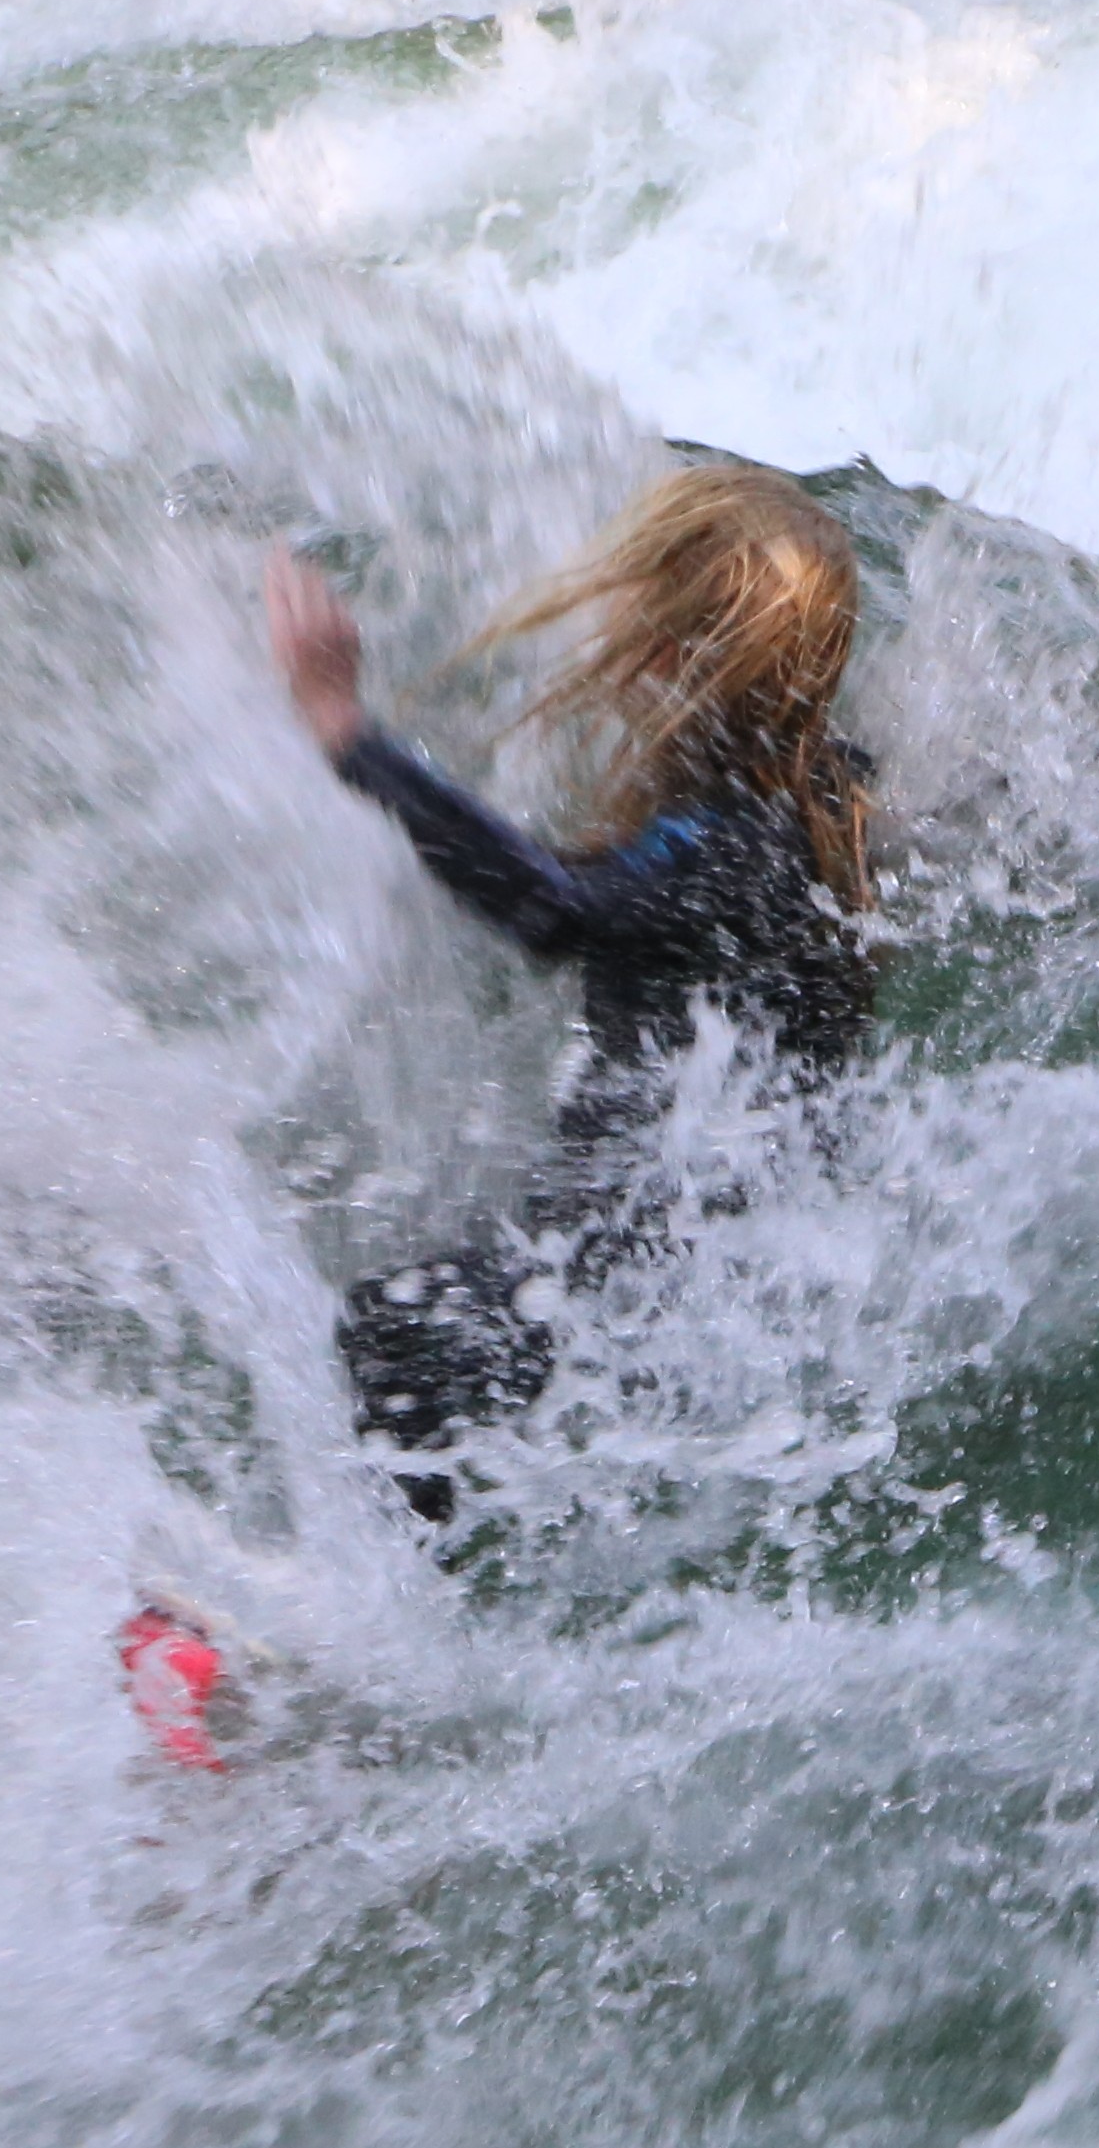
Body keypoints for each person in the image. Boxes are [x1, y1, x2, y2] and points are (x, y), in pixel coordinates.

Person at [264, 461, 882, 1521]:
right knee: (422, 1330)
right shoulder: (823, 799)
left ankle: (353, 1631)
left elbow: (554, 907)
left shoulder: (724, 840)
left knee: (393, 1326)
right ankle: (372, 1594)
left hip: (618, 1281)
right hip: (690, 1275)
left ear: (673, 647)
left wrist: (344, 732)